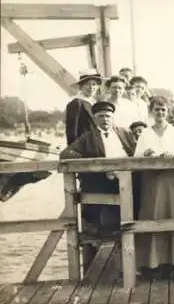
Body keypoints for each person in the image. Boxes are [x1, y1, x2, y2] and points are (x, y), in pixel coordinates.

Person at [60, 101, 138, 271]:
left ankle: (132, 264)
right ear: (95, 119)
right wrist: (94, 166)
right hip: (100, 184)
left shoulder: (124, 133)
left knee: (129, 223)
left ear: (113, 118)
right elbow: (66, 154)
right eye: (101, 117)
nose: (105, 120)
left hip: (126, 182)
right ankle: (101, 266)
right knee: (101, 227)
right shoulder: (87, 137)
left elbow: (136, 152)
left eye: (108, 116)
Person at [133, 95, 174, 279]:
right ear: (151, 112)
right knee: (154, 216)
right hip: (152, 181)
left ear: (168, 112)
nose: (160, 113)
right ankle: (153, 264)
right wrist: (146, 153)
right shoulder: (145, 133)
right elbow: (136, 157)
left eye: (163, 109)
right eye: (156, 109)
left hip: (171, 180)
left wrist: (173, 155)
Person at [65, 69, 103, 145]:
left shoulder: (95, 103)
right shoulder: (76, 103)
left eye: (94, 84)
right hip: (84, 144)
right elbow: (72, 130)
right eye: (87, 84)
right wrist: (74, 147)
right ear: (81, 87)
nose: (91, 87)